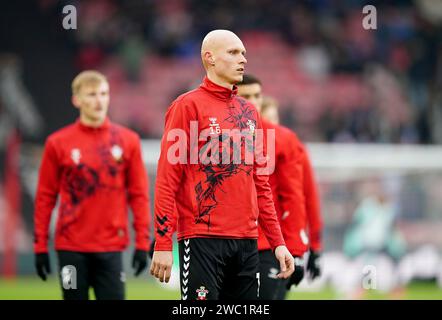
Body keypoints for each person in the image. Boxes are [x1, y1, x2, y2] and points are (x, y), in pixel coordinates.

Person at [150, 30, 294, 300]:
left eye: (244, 54)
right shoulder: (187, 106)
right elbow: (167, 179)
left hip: (247, 242)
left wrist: (278, 242)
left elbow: (260, 183)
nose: (243, 60)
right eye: (233, 52)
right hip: (202, 238)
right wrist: (162, 243)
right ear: (210, 58)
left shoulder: (250, 112)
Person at [33, 70, 152, 300]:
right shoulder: (57, 143)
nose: (99, 100)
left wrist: (141, 241)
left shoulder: (128, 141)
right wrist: (39, 246)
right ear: (76, 99)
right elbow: (45, 197)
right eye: (91, 94)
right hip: (70, 249)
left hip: (111, 248)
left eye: (104, 93)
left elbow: (139, 195)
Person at [237, 75, 323, 300]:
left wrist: (306, 247)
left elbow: (301, 197)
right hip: (225, 242)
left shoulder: (286, 142)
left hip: (269, 244)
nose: (253, 102)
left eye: (257, 96)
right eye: (247, 96)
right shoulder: (215, 137)